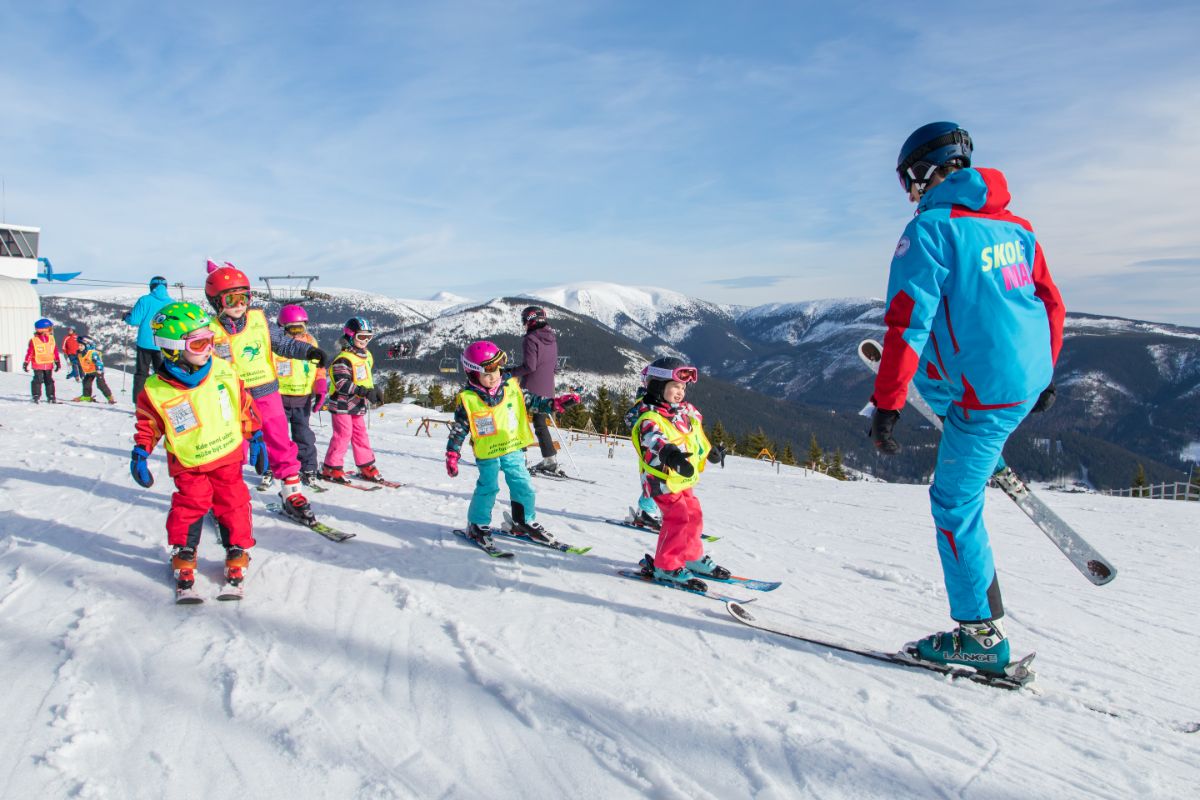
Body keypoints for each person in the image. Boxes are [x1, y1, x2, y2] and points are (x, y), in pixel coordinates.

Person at [869, 121, 1065, 675]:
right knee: (966, 413)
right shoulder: (1016, 227)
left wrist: (887, 403)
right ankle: (982, 449)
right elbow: (1051, 303)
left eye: (909, 182)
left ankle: (979, 635)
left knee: (953, 503)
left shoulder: (931, 230)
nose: (910, 193)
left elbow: (907, 323)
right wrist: (1045, 372)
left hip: (981, 397)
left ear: (923, 174)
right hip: (1027, 381)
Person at [129, 302, 266, 598]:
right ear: (173, 348)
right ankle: (185, 551)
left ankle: (237, 548)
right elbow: (149, 423)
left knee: (234, 502)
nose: (208, 348)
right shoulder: (156, 389)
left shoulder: (222, 370)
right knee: (189, 505)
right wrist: (141, 449)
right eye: (199, 342)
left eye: (211, 340)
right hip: (189, 460)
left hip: (227, 454)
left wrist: (255, 436)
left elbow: (243, 404)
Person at [204, 260, 328, 525]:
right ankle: (224, 499)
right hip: (231, 399)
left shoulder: (259, 321)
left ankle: (292, 493)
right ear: (217, 302)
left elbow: (283, 344)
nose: (239, 304)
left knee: (281, 442)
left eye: (244, 297)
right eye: (231, 298)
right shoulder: (210, 331)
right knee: (231, 449)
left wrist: (308, 352)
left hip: (267, 394)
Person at [444, 340, 579, 547]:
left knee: (522, 483)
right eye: (487, 373)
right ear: (473, 374)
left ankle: (523, 521)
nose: (494, 376)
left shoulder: (511, 387)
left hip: (513, 446)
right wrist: (452, 454)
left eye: (497, 369)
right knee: (488, 487)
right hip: (488, 452)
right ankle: (477, 524)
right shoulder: (468, 399)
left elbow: (535, 401)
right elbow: (459, 429)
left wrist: (556, 403)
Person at [629, 357, 727, 590]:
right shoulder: (649, 417)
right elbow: (655, 440)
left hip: (681, 478)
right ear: (656, 386)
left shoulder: (685, 412)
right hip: (660, 479)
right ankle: (667, 564)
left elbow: (695, 438)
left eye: (683, 387)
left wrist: (710, 453)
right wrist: (671, 455)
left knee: (693, 513)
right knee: (678, 517)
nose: (680, 391)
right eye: (675, 386)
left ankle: (691, 556)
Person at [321, 317, 389, 483]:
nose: (364, 341)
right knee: (343, 434)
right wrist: (364, 392)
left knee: (360, 435)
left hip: (358, 403)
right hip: (342, 404)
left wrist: (373, 390)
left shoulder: (366, 356)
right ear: (350, 336)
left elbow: (364, 377)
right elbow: (342, 383)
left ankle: (366, 465)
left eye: (368, 337)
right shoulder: (343, 359)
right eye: (361, 337)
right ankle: (331, 467)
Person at [274, 305, 328, 486]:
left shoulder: (311, 344)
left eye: (301, 328)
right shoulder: (276, 346)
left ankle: (309, 467)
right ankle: (273, 467)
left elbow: (319, 368)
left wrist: (320, 387)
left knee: (303, 435)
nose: (297, 334)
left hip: (302, 398)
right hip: (278, 397)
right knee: (277, 436)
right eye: (292, 329)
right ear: (282, 327)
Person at [509, 305, 561, 474]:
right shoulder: (552, 338)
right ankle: (550, 460)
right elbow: (554, 367)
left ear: (530, 320)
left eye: (524, 320)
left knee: (518, 421)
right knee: (540, 424)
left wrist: (510, 372)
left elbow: (529, 366)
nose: (524, 324)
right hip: (547, 389)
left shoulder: (530, 339)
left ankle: (520, 458)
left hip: (529, 388)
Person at [123, 276, 174, 399]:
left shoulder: (144, 300)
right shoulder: (172, 303)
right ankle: (163, 402)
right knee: (163, 375)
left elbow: (134, 320)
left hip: (144, 343)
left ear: (152, 287)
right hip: (164, 343)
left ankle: (139, 404)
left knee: (141, 373)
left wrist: (126, 317)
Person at [622, 384, 662, 531]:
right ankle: (646, 511)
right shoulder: (644, 405)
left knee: (665, 481)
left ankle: (654, 510)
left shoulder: (658, 407)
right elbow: (629, 418)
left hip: (661, 448)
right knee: (653, 479)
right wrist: (640, 431)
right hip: (648, 450)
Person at [23, 318, 62, 403]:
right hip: (38, 364)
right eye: (49, 329)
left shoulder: (51, 339)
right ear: (42, 329)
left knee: (49, 380)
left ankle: (51, 396)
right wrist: (26, 362)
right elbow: (30, 352)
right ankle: (36, 396)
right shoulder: (34, 340)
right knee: (38, 380)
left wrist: (57, 361)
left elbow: (54, 351)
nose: (50, 331)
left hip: (48, 364)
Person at [72, 335, 117, 404]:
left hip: (97, 371)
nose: (79, 347)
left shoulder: (92, 353)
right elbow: (78, 360)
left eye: (81, 345)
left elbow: (98, 362)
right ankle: (86, 396)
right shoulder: (80, 354)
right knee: (86, 383)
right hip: (90, 371)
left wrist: (99, 369)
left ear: (87, 346)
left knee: (100, 384)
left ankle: (110, 397)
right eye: (79, 345)